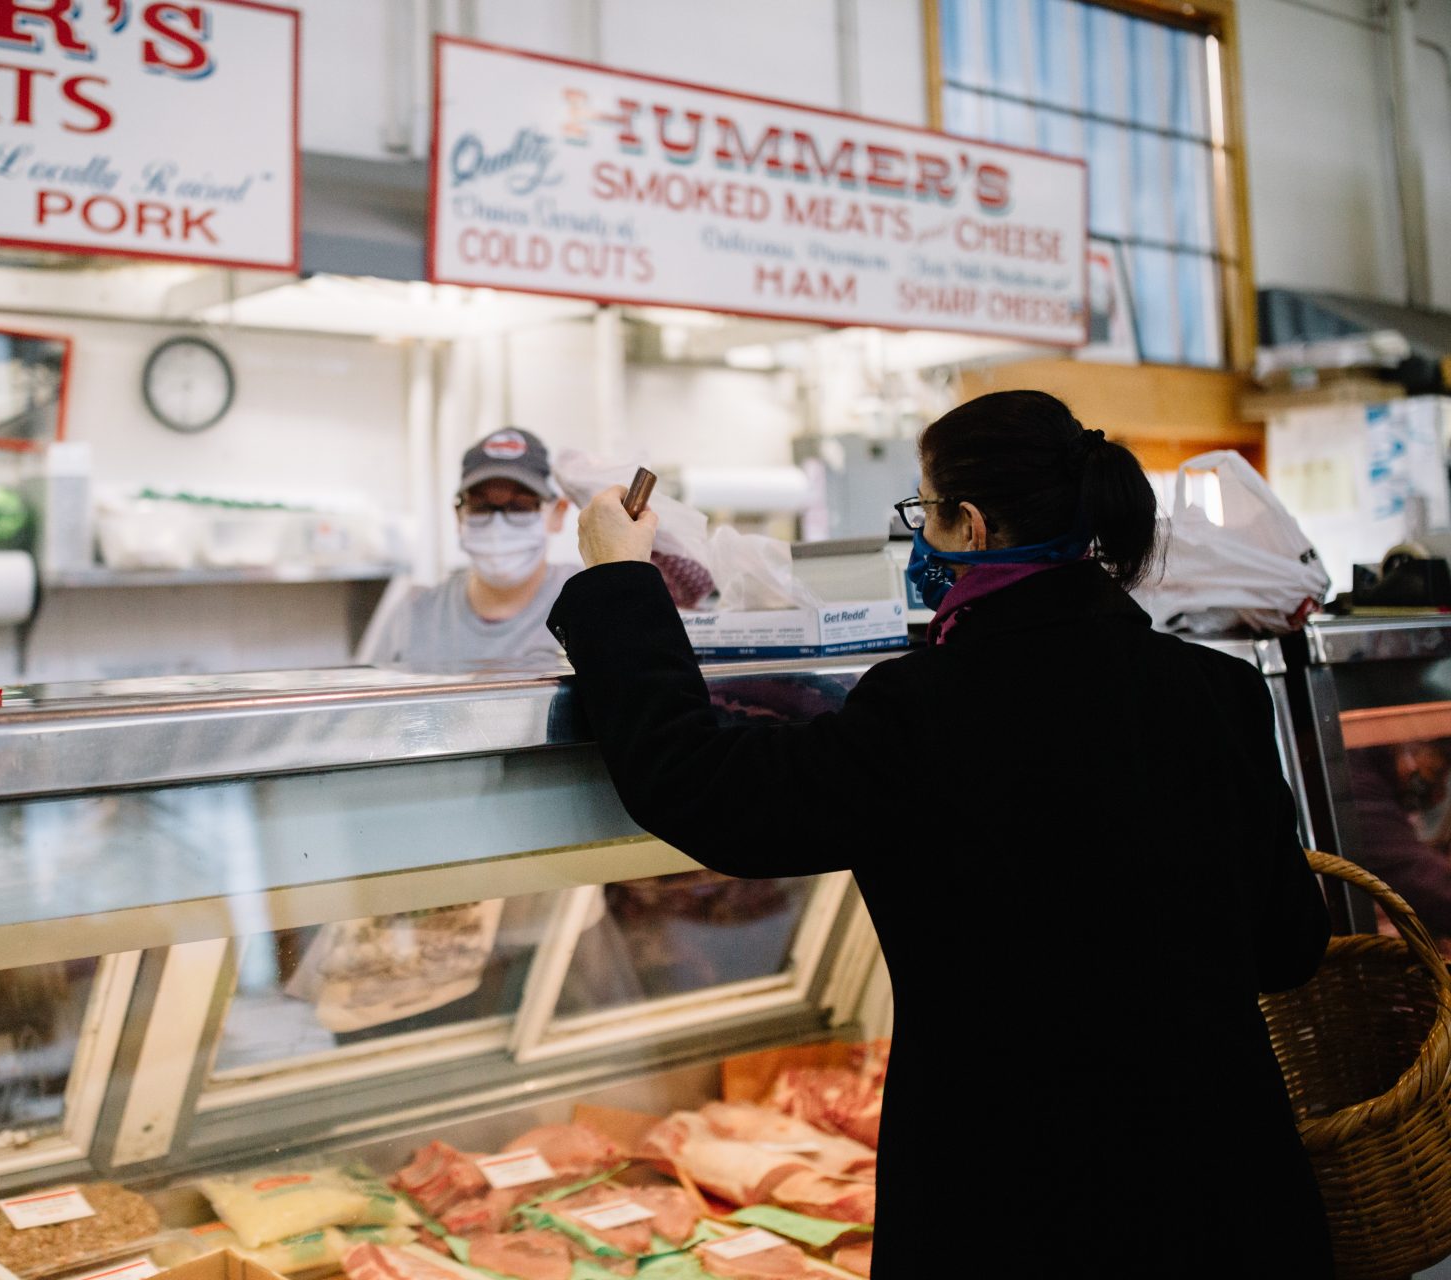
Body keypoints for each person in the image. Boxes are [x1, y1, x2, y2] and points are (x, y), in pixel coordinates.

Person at [548, 390, 1334, 1278]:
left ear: (968, 523)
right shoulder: (1218, 691)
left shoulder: (924, 710)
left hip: (1017, 1210)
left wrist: (618, 580)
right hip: (1230, 1199)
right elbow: (1289, 947)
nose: (921, 536)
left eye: (926, 512)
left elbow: (704, 790)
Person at [361, 428, 577, 672]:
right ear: (458, 516)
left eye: (520, 506)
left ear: (557, 514)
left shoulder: (586, 604)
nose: (498, 526)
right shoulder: (414, 616)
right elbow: (361, 706)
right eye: (480, 506)